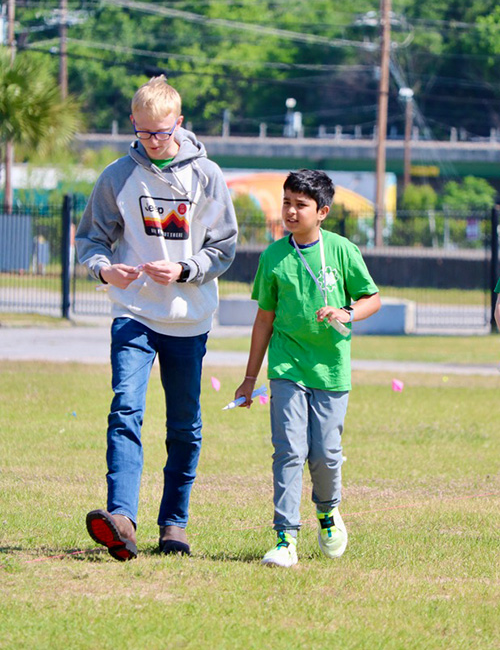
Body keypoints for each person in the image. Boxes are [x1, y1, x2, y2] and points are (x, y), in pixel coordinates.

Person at [76, 76, 238, 561]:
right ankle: (121, 519)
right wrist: (106, 270)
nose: (153, 142)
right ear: (134, 125)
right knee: (125, 408)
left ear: (180, 124)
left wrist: (187, 268)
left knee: (184, 425)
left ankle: (174, 524)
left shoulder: (207, 175)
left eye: (162, 133)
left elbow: (225, 247)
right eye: (143, 133)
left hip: (189, 318)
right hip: (134, 314)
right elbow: (90, 241)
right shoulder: (116, 176)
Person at [234, 169, 380, 567]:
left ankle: (328, 511)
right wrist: (249, 379)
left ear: (323, 212)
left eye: (301, 205)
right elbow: (264, 319)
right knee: (289, 450)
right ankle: (285, 539)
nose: (291, 211)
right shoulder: (273, 257)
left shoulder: (343, 251)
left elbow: (372, 299)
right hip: (287, 366)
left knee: (325, 454)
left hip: (331, 370)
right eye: (287, 203)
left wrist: (347, 313)